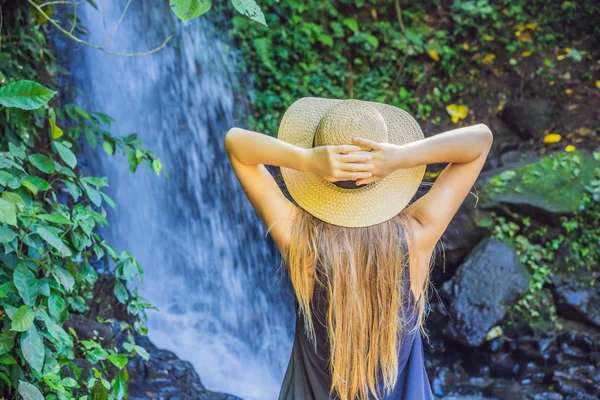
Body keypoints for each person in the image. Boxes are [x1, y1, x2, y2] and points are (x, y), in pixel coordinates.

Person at [224, 97, 493, 400]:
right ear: (386, 177)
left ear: (318, 176)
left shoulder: (300, 242)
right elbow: (480, 140)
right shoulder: (417, 234)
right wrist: (403, 156)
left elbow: (236, 143)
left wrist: (305, 160)